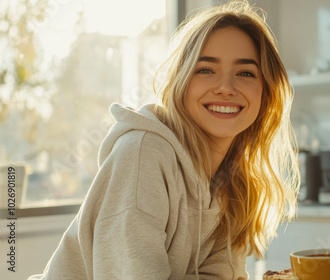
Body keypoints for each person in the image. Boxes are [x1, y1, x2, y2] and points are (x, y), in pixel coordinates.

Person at [28, 0, 299, 279]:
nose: (226, 88)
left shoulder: (234, 179)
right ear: (181, 81)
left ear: (266, 93)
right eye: (206, 69)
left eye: (245, 73)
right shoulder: (143, 154)